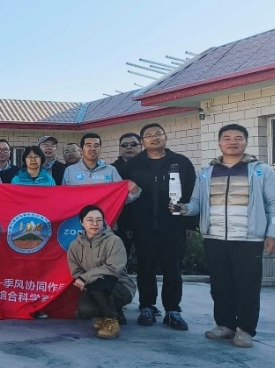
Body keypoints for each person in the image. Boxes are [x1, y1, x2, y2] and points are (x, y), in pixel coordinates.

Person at [177, 124, 275, 348]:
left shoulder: (261, 171)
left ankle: (245, 330)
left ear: (246, 142)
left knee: (247, 286)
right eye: (227, 138)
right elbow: (197, 202)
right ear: (219, 143)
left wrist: (273, 233)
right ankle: (225, 325)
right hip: (214, 237)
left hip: (248, 239)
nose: (232, 142)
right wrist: (185, 209)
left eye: (238, 138)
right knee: (220, 285)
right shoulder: (206, 172)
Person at [123, 123, 197, 330]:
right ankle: (147, 307)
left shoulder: (181, 162)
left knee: (173, 269)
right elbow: (124, 197)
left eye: (158, 134)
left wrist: (190, 224)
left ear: (165, 137)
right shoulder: (133, 165)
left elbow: (192, 193)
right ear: (142, 141)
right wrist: (129, 225)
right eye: (148, 136)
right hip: (143, 226)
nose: (154, 138)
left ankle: (173, 310)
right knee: (145, 268)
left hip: (173, 226)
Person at [67, 205, 136, 340]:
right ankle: (106, 314)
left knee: (101, 285)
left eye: (99, 220)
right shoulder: (75, 245)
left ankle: (111, 321)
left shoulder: (114, 241)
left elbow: (113, 268)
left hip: (120, 286)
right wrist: (84, 280)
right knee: (85, 310)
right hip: (92, 286)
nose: (95, 223)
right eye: (90, 220)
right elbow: (76, 271)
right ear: (82, 222)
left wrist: (85, 278)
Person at [112, 133, 143, 272]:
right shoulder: (112, 170)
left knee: (147, 262)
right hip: (121, 223)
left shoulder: (150, 166)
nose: (129, 147)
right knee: (118, 262)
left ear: (141, 146)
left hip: (148, 223)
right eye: (124, 145)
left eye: (133, 144)